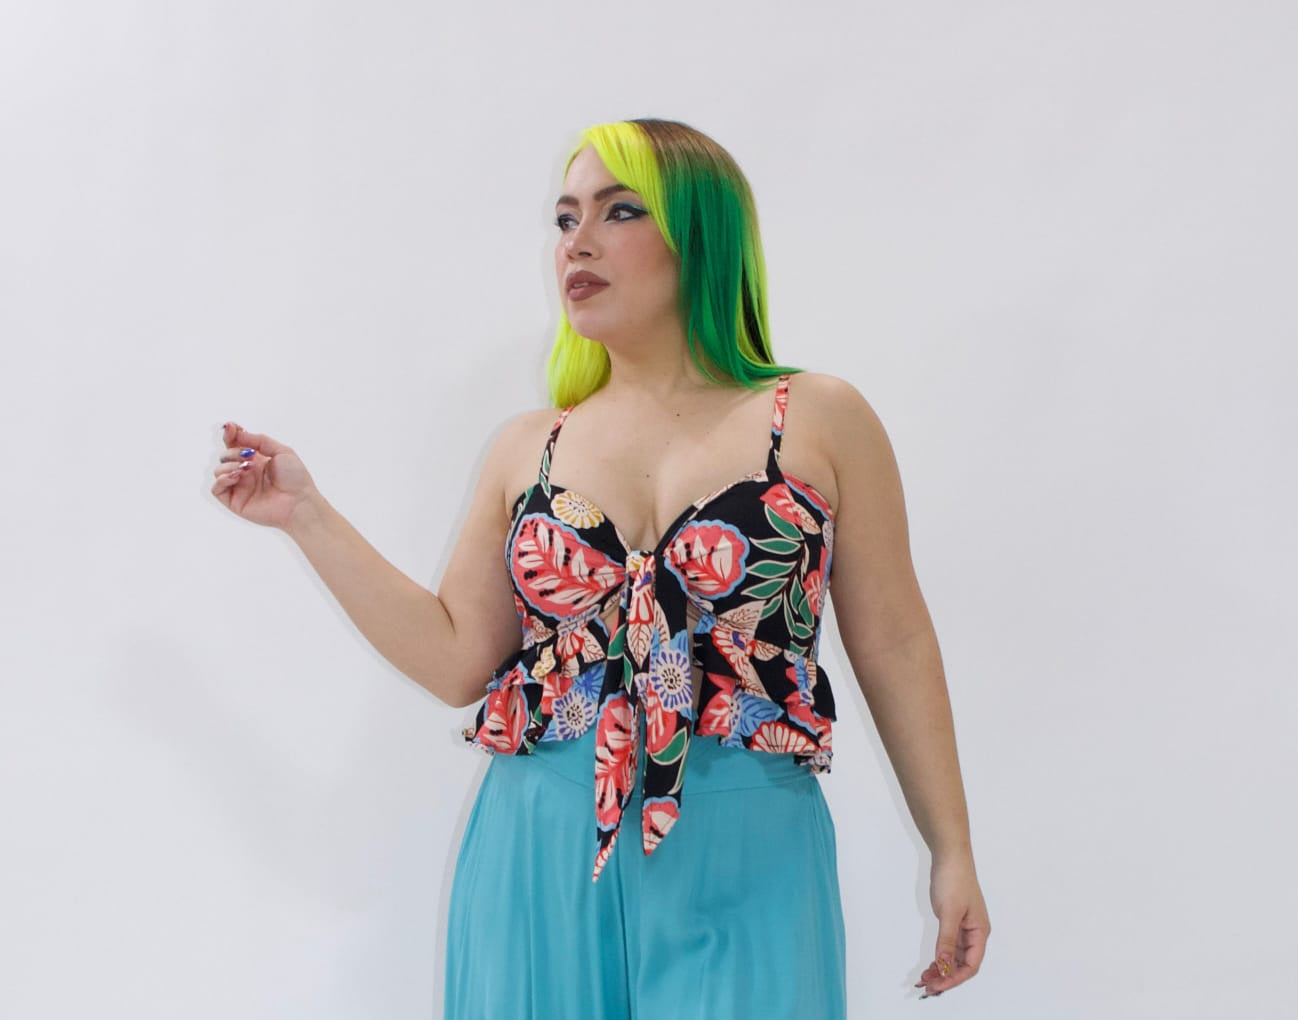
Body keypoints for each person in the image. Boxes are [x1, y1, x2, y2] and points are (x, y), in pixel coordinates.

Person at [212, 117, 990, 1018]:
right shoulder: (528, 447)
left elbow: (894, 641)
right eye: (564, 217)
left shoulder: (818, 417)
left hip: (751, 842)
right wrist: (307, 516)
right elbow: (457, 660)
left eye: (619, 211)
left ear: (701, 234)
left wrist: (952, 849)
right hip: (538, 841)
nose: (577, 241)